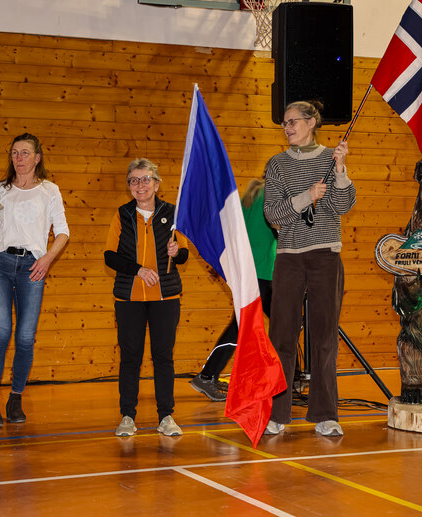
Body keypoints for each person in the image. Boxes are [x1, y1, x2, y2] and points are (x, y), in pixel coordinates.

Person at [263, 100, 356, 437]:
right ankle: (277, 413)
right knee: (281, 336)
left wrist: (340, 170)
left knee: (324, 337)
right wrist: (306, 196)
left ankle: (325, 414)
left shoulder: (331, 158)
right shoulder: (277, 164)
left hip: (325, 255)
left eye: (293, 121)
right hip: (289, 256)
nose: (287, 128)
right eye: (284, 123)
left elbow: (342, 205)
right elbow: (272, 213)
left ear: (311, 122)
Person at [0, 133, 69, 429]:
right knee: (1, 332)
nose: (19, 158)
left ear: (37, 157)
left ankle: (16, 397)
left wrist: (47, 259)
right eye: (15, 153)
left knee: (26, 337)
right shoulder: (0, 189)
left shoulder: (49, 190)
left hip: (33, 265)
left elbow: (63, 232)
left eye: (25, 152)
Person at [104, 158, 189, 437]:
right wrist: (138, 270)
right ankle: (128, 416)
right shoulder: (122, 215)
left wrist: (177, 252)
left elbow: (184, 254)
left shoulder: (172, 213)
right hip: (129, 299)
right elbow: (110, 256)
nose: (140, 185)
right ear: (129, 185)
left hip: (166, 297)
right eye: (134, 180)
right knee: (131, 357)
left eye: (145, 179)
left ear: (157, 184)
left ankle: (166, 416)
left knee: (163, 357)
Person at [190, 178, 277, 401]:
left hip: (246, 269)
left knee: (251, 324)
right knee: (271, 324)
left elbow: (230, 232)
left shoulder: (249, 197)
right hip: (261, 271)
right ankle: (207, 376)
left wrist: (221, 265)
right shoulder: (272, 196)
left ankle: (209, 375)